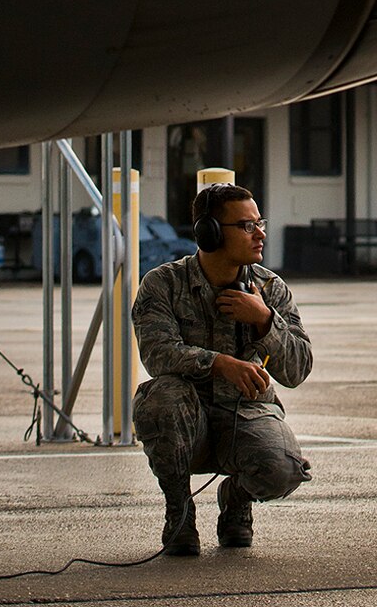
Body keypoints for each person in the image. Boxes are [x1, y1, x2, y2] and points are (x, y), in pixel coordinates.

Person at [132, 181, 312, 555]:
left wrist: (265, 320)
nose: (260, 233)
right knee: (160, 399)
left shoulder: (270, 289)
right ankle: (179, 510)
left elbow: (298, 369)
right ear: (209, 233)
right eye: (247, 226)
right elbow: (157, 353)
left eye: (260, 222)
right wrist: (219, 364)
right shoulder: (162, 284)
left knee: (284, 470)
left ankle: (236, 498)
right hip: (187, 417)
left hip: (246, 413)